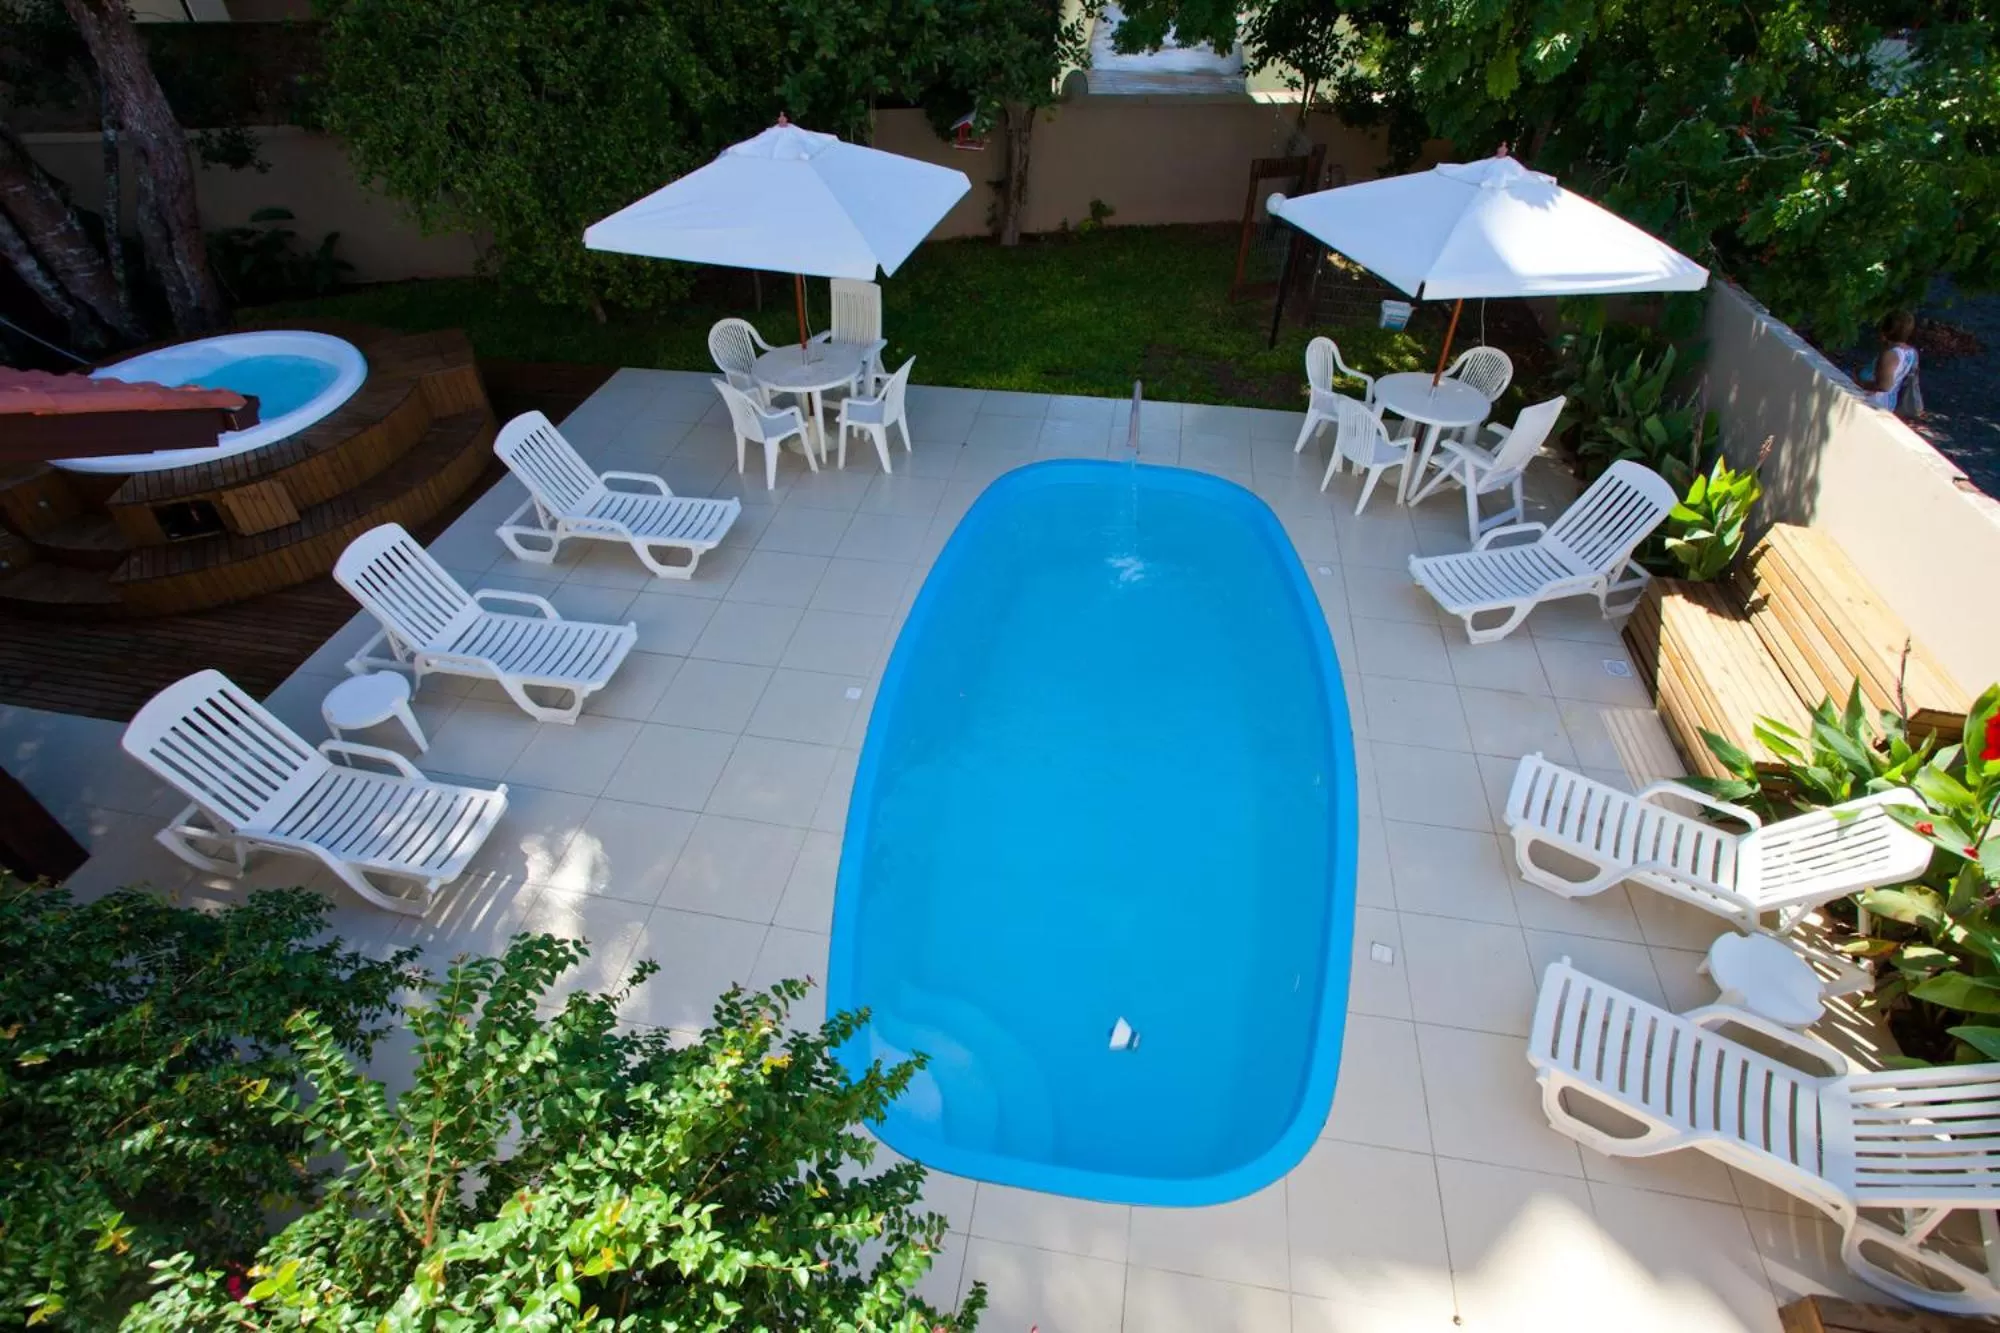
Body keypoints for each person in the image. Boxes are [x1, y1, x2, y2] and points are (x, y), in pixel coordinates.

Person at [1856, 310, 1924, 418]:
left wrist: (1860, 384)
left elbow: (1884, 386)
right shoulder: (1912, 352)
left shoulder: (1890, 355)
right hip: (1888, 402)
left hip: (1872, 403)